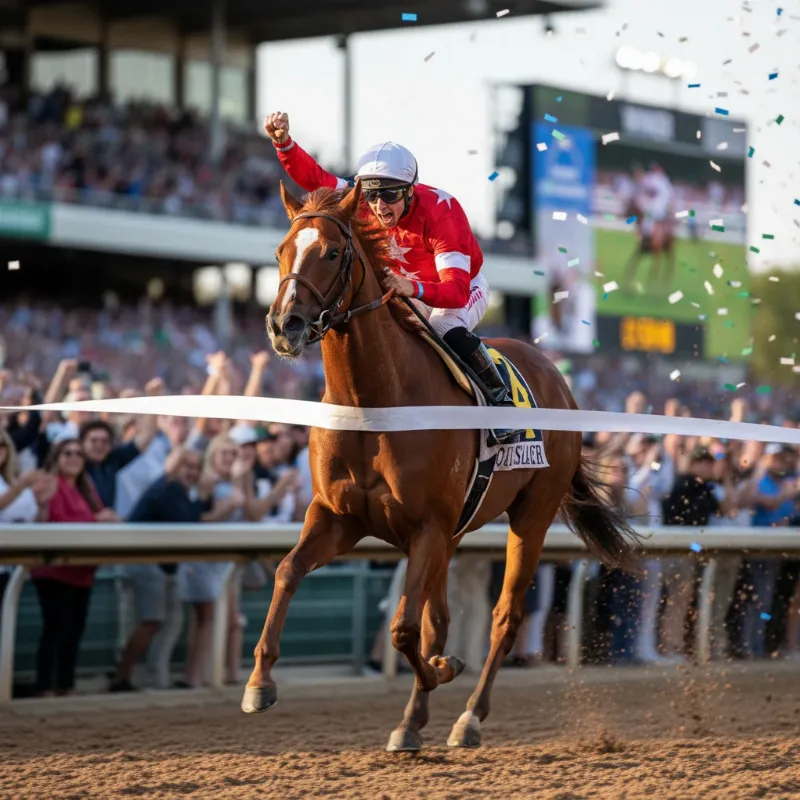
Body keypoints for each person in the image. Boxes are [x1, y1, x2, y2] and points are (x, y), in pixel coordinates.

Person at [263, 110, 520, 446]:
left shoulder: (442, 212)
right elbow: (315, 178)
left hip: (458, 289)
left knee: (444, 328)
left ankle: (502, 405)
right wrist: (284, 144)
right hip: (404, 290)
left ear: (411, 191)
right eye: (371, 195)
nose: (380, 206)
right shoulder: (365, 202)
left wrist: (410, 287)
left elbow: (455, 292)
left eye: (390, 195)